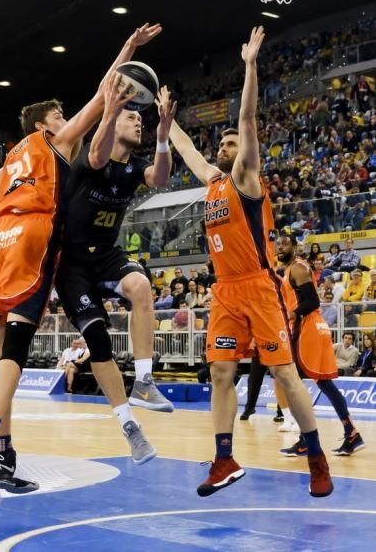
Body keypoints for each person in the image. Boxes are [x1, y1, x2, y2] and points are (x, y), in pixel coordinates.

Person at [0, 23, 161, 503]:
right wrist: (129, 49)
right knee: (16, 347)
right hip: (31, 239)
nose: (64, 117)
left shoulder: (10, 160)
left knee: (0, 356)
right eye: (58, 114)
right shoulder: (54, 143)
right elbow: (104, 92)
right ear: (44, 125)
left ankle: (2, 459)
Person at [169, 26, 333, 498]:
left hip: (259, 287)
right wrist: (166, 123)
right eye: (218, 146)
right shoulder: (213, 183)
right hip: (225, 291)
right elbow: (186, 151)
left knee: (284, 372)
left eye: (227, 144)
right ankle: (224, 458)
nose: (222, 148)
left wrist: (250, 67)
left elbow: (247, 119)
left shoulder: (247, 177)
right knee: (221, 372)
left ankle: (317, 456)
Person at [55, 82, 177, 466]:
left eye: (140, 119)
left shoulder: (135, 167)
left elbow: (159, 179)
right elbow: (95, 150)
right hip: (72, 263)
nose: (137, 122)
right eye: (131, 117)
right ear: (113, 121)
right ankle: (129, 427)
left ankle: (144, 379)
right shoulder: (93, 157)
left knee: (142, 287)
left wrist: (161, 137)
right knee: (97, 339)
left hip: (106, 254)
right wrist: (111, 108)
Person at [277, 233, 364, 456]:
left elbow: (312, 301)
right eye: (278, 244)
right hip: (313, 327)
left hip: (308, 327)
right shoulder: (289, 270)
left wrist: (292, 314)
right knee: (323, 384)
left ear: (295, 247)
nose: (280, 247)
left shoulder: (298, 267)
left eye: (285, 244)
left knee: (293, 382)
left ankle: (306, 439)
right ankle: (351, 433)